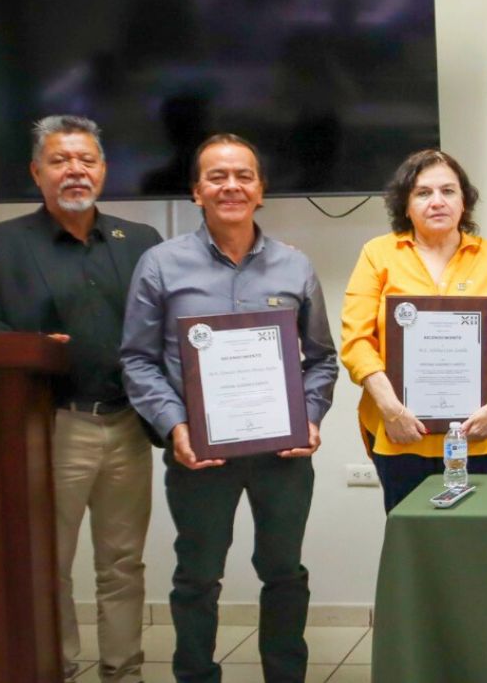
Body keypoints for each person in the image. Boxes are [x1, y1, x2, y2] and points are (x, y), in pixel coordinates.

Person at [121, 134, 336, 683]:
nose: (231, 186)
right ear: (197, 191)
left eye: (243, 175)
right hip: (199, 455)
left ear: (260, 189)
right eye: (217, 176)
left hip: (283, 456)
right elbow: (139, 361)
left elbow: (322, 360)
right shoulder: (160, 265)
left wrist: (309, 417)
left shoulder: (295, 265)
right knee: (196, 577)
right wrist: (175, 427)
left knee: (285, 574)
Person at [0, 115, 161, 683]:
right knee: (50, 563)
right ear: (36, 172)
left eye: (86, 160)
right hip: (50, 427)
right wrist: (28, 347)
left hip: (127, 424)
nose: (75, 170)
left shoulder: (140, 241)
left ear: (103, 169)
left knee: (122, 564)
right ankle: (58, 666)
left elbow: (166, 326)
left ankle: (124, 670)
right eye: (60, 160)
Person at [340, 149, 487, 510]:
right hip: (399, 434)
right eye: (423, 193)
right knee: (412, 541)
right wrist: (391, 409)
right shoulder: (378, 254)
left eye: (448, 191)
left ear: (464, 201)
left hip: (477, 435)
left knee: (474, 543)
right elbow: (357, 341)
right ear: (405, 205)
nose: (437, 202)